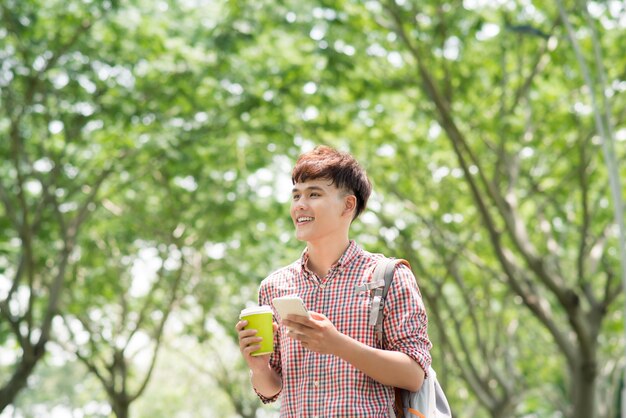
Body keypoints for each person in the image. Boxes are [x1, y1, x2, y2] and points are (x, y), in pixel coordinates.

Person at [235, 145, 432, 417]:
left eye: (314, 194)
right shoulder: (275, 286)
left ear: (348, 205)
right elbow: (273, 390)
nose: (300, 205)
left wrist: (337, 344)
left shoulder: (388, 277)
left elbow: (413, 374)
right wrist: (258, 368)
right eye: (296, 196)